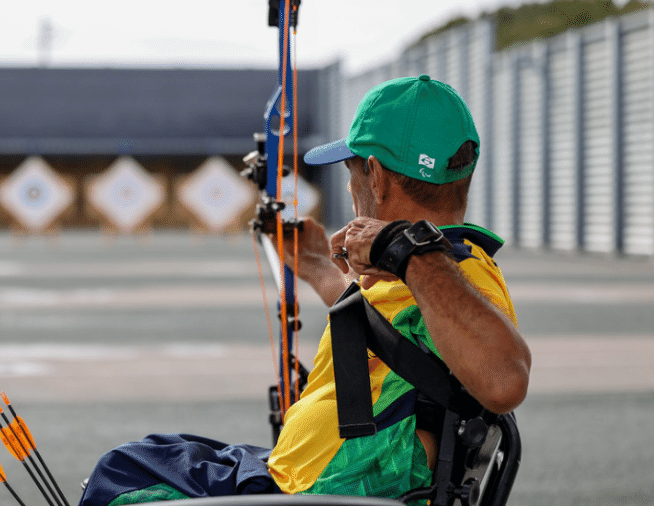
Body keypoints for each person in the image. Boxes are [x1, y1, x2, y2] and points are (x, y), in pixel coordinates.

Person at [77, 75, 532, 506]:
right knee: (159, 452)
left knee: (121, 475)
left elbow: (503, 379)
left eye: (352, 170)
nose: (352, 187)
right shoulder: (433, 276)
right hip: (304, 479)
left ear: (375, 175)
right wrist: (318, 268)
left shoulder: (451, 269)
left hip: (315, 494)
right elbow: (407, 350)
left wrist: (405, 248)